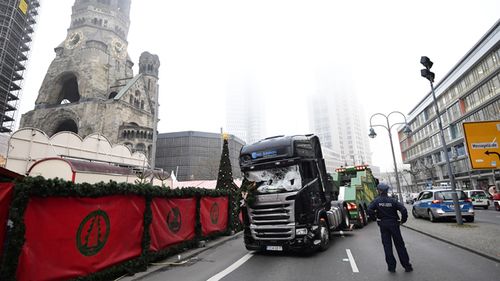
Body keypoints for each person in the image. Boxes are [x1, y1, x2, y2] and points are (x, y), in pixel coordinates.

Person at [367, 183, 413, 273]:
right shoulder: (393, 200)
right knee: (400, 246)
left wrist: (375, 218)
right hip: (394, 224)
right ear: (387, 191)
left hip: (383, 225)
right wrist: (403, 220)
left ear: (379, 191)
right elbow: (403, 210)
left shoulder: (376, 201)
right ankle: (407, 266)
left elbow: (369, 210)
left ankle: (391, 267)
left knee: (387, 246)